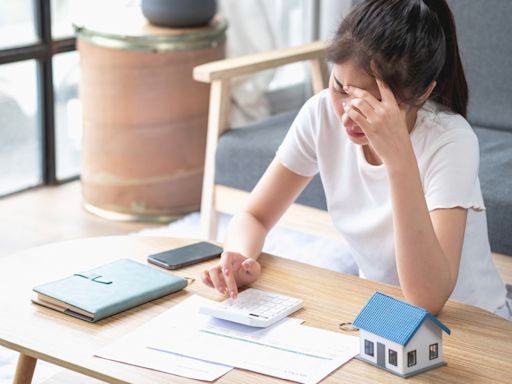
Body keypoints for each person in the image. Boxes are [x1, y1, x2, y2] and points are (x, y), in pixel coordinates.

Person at [201, 0, 511, 319]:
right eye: (340, 88)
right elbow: (255, 216)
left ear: (422, 94)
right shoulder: (321, 113)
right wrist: (238, 255)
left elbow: (427, 299)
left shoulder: (450, 141)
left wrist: (398, 157)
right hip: (382, 311)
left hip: (471, 322)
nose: (349, 115)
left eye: (372, 103)